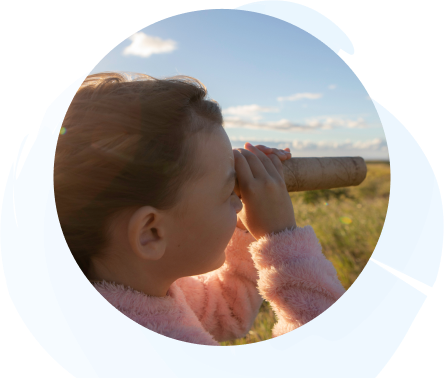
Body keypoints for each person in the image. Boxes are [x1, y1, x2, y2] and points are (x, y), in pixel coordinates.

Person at [53, 71, 346, 346]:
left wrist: (244, 225)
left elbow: (228, 312)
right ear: (151, 232)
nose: (239, 200)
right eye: (228, 192)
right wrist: (283, 242)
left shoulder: (129, 290)